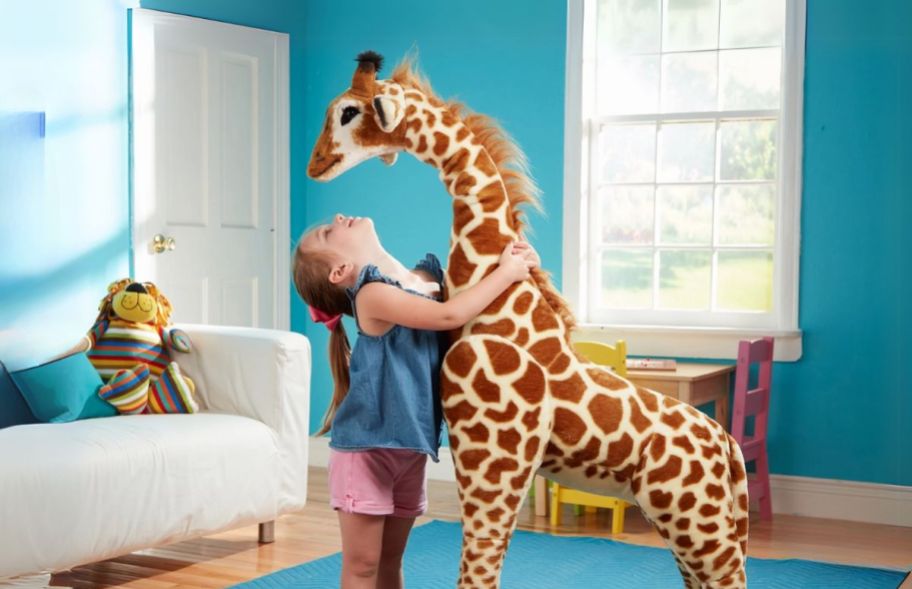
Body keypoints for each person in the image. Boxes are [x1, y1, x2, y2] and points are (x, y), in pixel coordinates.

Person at [292, 213, 538, 589]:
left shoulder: (424, 280)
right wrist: (507, 273)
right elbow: (450, 314)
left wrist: (517, 260)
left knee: (391, 560)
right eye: (328, 230)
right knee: (363, 566)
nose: (338, 218)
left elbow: (471, 298)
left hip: (408, 449)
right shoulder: (372, 295)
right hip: (366, 452)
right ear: (341, 269)